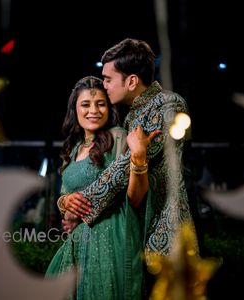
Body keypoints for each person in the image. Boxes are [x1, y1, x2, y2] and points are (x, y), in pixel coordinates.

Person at [61, 38, 199, 290]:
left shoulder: (167, 104)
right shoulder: (133, 115)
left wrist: (80, 206)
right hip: (136, 229)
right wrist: (67, 203)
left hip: (164, 232)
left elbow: (123, 168)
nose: (104, 85)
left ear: (132, 81)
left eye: (108, 79)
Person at [45, 75, 157, 300]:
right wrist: (64, 202)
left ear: (109, 107)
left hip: (113, 236)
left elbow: (135, 198)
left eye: (100, 103)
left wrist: (138, 156)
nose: (93, 110)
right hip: (79, 244)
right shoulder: (74, 149)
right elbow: (66, 200)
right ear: (74, 110)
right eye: (85, 104)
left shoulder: (118, 138)